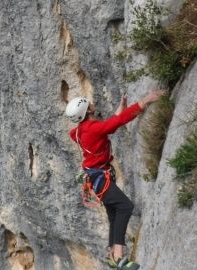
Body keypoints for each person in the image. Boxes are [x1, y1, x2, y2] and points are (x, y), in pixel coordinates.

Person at [65, 90, 163, 270]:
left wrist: (121, 108)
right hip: (100, 179)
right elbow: (115, 123)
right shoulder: (92, 129)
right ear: (87, 110)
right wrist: (145, 101)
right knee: (125, 207)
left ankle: (111, 256)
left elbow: (109, 125)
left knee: (114, 214)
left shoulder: (79, 131)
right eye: (88, 103)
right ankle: (118, 256)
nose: (92, 103)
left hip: (96, 177)